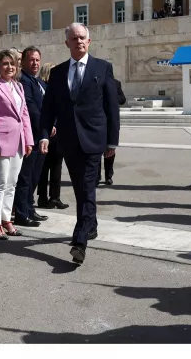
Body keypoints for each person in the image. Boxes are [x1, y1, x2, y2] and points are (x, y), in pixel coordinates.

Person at [39, 23, 120, 265]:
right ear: (67, 43)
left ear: (89, 41)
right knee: (81, 189)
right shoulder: (58, 72)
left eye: (82, 37)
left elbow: (111, 108)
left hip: (94, 139)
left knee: (86, 189)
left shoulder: (102, 68)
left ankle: (80, 241)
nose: (79, 41)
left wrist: (112, 141)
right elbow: (48, 108)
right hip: (68, 140)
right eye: (74, 38)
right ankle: (91, 224)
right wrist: (44, 134)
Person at [0, 50, 33, 239]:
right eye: (5, 63)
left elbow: (25, 115)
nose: (9, 67)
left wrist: (29, 140)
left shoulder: (19, 87)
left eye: (12, 64)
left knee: (11, 183)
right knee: (0, 183)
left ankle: (6, 219)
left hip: (18, 141)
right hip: (0, 141)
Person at [13, 46, 49, 227]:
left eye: (37, 60)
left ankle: (30, 208)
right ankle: (21, 212)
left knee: (35, 175)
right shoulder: (24, 81)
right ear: (24, 62)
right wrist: (46, 126)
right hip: (31, 136)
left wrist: (53, 123)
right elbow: (32, 108)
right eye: (31, 60)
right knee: (25, 177)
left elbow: (51, 106)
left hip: (43, 136)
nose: (35, 63)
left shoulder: (41, 83)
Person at [36, 62, 68, 210]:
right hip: (47, 131)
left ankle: (55, 197)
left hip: (59, 131)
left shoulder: (57, 87)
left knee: (56, 166)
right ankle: (42, 197)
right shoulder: (41, 85)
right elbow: (46, 109)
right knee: (44, 167)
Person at [97, 77, 126, 186]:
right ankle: (96, 175)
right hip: (98, 120)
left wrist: (112, 98)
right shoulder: (96, 81)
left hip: (111, 121)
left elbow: (123, 99)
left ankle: (108, 176)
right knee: (97, 150)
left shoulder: (116, 83)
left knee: (110, 150)